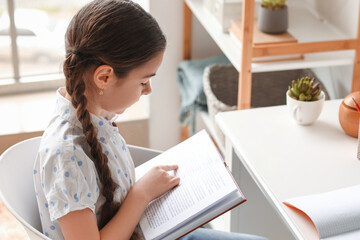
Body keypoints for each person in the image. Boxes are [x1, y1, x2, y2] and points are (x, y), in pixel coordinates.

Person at [33, 0, 268, 239]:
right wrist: (140, 195)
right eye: (143, 81)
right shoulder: (66, 155)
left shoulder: (94, 116)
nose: (148, 90)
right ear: (104, 77)